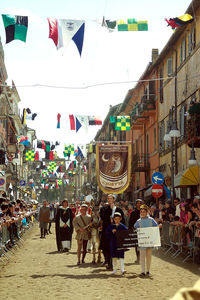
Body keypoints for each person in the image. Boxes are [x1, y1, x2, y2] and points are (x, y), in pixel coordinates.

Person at [100, 194, 125, 270]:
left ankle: (111, 264)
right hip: (106, 231)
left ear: (114, 200)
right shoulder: (104, 209)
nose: (109, 200)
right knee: (105, 248)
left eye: (111, 198)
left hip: (116, 232)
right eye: (108, 198)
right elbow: (102, 217)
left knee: (114, 247)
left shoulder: (118, 210)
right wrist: (109, 211)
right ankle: (108, 260)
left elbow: (123, 220)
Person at [134, 204, 158, 277]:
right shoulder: (138, 221)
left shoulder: (151, 220)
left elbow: (156, 226)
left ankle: (148, 270)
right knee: (142, 256)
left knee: (149, 256)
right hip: (142, 241)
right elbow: (135, 228)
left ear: (147, 212)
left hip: (149, 241)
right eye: (141, 212)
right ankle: (142, 271)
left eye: (144, 211)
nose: (142, 213)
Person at [128, 199, 143, 263]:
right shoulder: (133, 213)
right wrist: (130, 230)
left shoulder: (144, 212)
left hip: (144, 231)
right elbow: (131, 222)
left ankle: (142, 258)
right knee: (136, 245)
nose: (139, 204)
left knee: (143, 245)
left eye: (140, 203)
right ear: (136, 204)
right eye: (138, 203)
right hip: (136, 231)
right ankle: (138, 258)